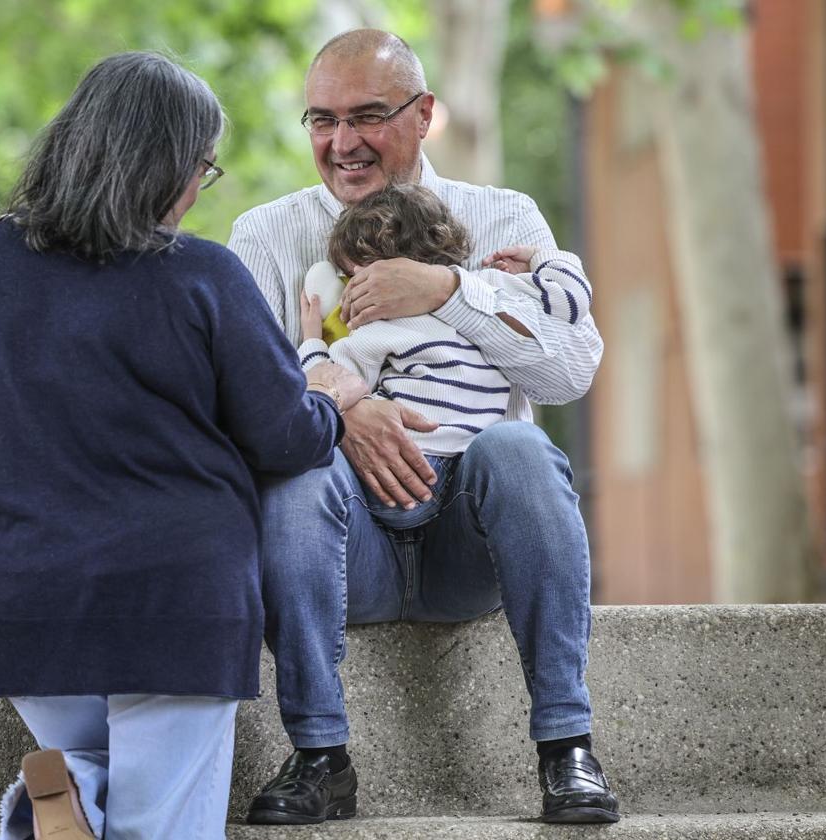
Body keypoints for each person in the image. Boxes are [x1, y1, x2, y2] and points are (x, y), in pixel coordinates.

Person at [0, 52, 367, 840]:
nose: (200, 185)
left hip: (23, 595)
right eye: (202, 165)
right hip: (176, 600)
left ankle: (62, 804)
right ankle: (61, 809)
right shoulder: (203, 276)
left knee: (97, 781)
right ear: (167, 164)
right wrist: (333, 398)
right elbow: (286, 436)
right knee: (164, 822)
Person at [227, 30, 619, 825]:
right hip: (348, 547)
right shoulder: (265, 237)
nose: (342, 143)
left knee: (517, 447)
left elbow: (569, 372)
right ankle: (320, 755)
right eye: (322, 120)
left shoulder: (503, 216)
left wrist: (447, 291)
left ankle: (567, 748)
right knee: (298, 471)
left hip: (471, 546)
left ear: (425, 114)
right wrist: (342, 407)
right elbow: (243, 403)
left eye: (367, 115)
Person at [297, 182, 593, 531]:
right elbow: (571, 301)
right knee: (522, 449)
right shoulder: (492, 292)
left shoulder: (378, 332)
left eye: (352, 278)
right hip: (482, 473)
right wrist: (539, 257)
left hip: (410, 477)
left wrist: (312, 343)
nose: (348, 290)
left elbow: (333, 387)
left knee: (309, 470)